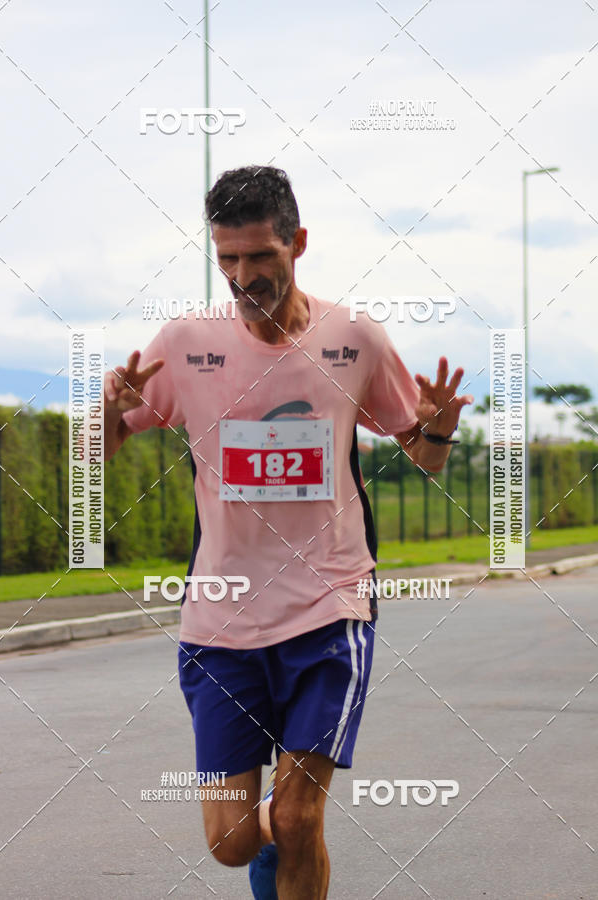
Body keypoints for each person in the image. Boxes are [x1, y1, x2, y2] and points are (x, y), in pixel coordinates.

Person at [104, 165, 473, 899]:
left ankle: (292, 820)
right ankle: (271, 826)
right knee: (232, 843)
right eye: (228, 259)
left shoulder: (354, 338)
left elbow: (423, 455)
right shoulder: (187, 342)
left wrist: (436, 432)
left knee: (301, 818)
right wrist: (106, 414)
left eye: (260, 257)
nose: (244, 277)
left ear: (297, 243)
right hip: (221, 618)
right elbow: (99, 449)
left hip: (328, 605)